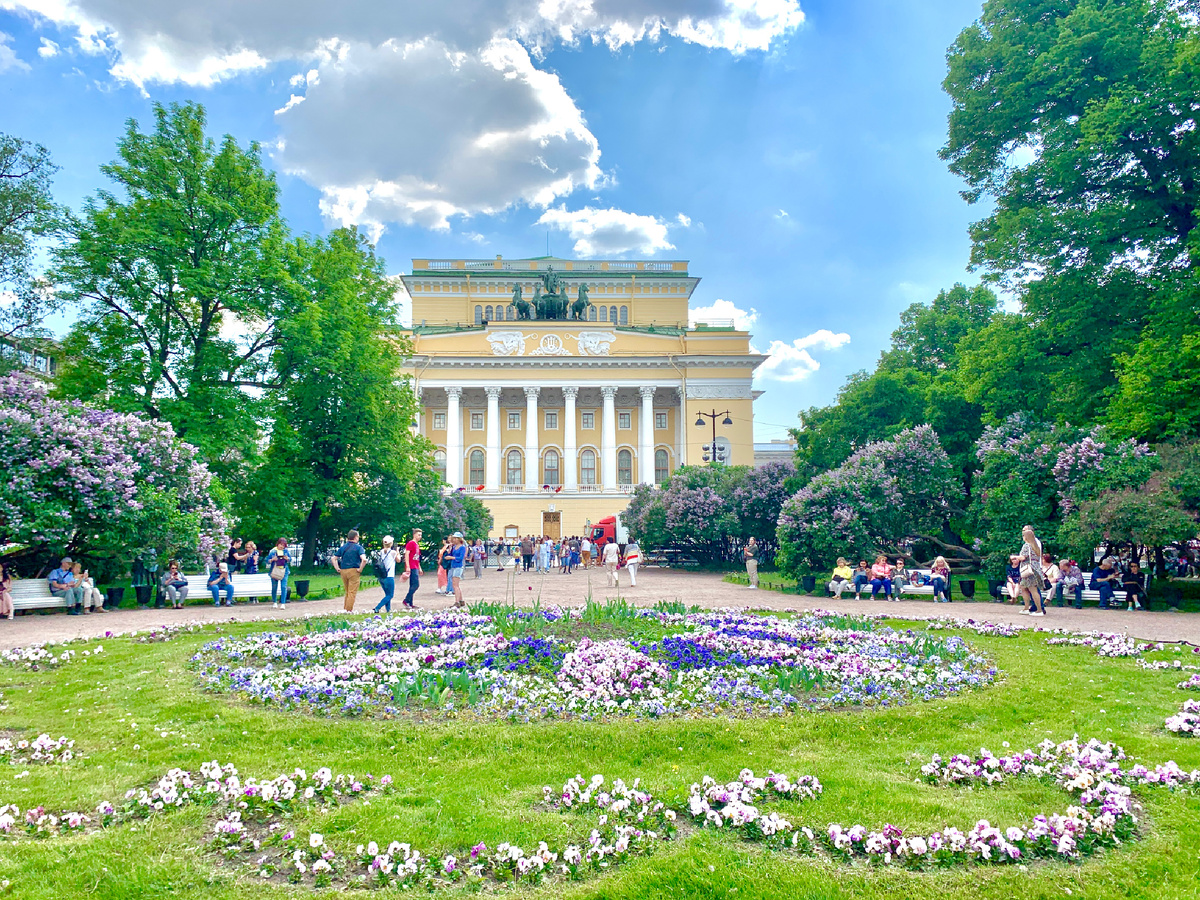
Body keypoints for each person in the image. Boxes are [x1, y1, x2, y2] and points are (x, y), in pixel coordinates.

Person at [332, 529, 367, 612]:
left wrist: (337, 568)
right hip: (354, 570)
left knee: (347, 591)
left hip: (343, 570)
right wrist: (360, 569)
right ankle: (348, 611)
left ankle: (345, 608)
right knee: (352, 592)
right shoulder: (358, 548)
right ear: (355, 537)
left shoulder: (343, 547)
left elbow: (334, 558)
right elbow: (364, 560)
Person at [1017, 526, 1045, 616]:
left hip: (1028, 570)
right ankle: (1026, 608)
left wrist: (1014, 557)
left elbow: (1023, 557)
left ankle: (1039, 610)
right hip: (1034, 569)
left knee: (1032, 589)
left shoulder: (1027, 545)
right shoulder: (1035, 546)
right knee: (1024, 587)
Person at [373, 536, 399, 614]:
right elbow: (398, 560)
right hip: (389, 576)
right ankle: (377, 608)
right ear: (391, 544)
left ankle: (388, 609)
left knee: (387, 594)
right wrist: (397, 551)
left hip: (381, 576)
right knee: (390, 595)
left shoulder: (381, 552)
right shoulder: (393, 552)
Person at [401, 529, 422, 608]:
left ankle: (410, 602)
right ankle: (406, 600)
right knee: (416, 584)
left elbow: (417, 558)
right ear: (414, 535)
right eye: (418, 535)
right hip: (412, 566)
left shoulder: (417, 545)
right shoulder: (411, 543)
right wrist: (408, 566)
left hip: (415, 565)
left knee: (412, 584)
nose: (420, 537)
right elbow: (407, 554)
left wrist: (420, 568)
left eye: (420, 535)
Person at [266, 538, 290, 608]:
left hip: (284, 570)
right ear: (278, 544)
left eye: (283, 545)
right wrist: (272, 559)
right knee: (274, 587)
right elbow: (267, 560)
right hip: (275, 570)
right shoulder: (273, 551)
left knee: (283, 587)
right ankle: (275, 602)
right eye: (280, 544)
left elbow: (290, 559)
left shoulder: (285, 551)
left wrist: (287, 558)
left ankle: (283, 603)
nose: (281, 546)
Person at [450, 532, 467, 608]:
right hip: (453, 566)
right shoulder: (454, 547)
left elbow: (460, 558)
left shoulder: (462, 547)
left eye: (455, 538)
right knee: (455, 584)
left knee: (455, 585)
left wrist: (452, 558)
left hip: (458, 566)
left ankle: (457, 602)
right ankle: (460, 600)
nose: (454, 540)